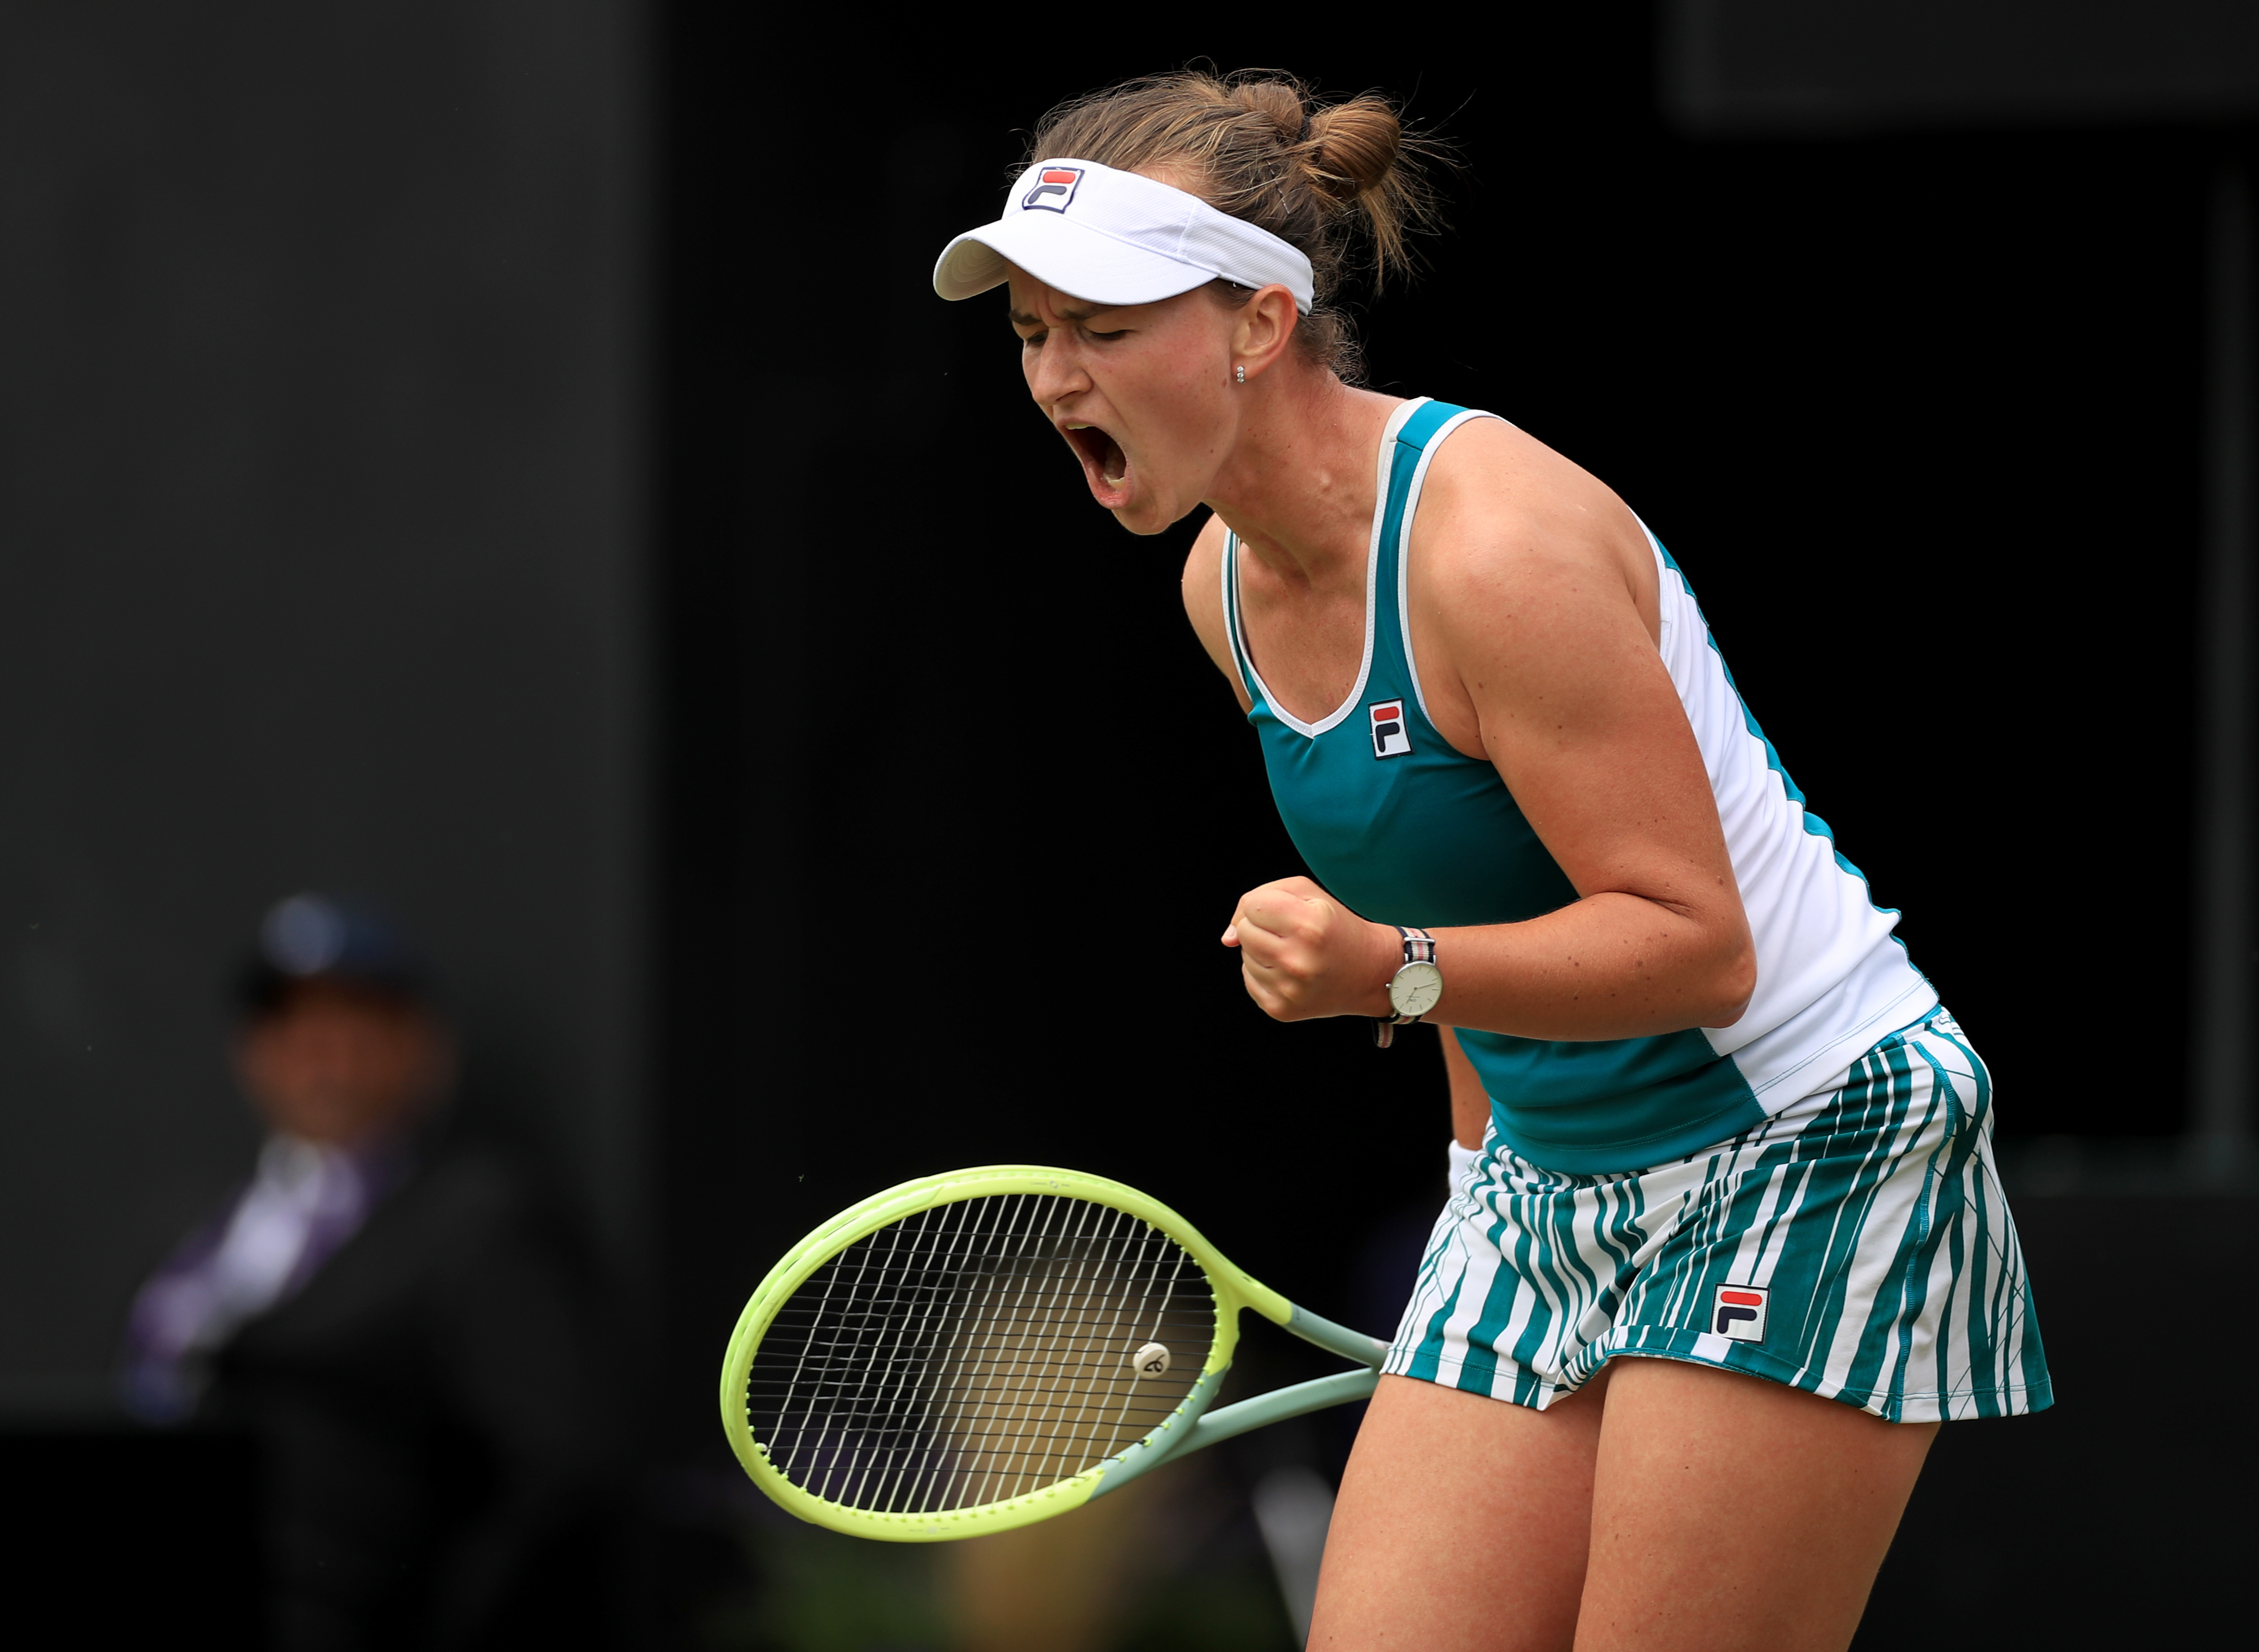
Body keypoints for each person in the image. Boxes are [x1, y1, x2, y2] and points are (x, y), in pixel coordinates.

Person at [929, 70, 2051, 1651]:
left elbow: (1691, 944)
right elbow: (1465, 891)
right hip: (1544, 1175)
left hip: (1806, 1141)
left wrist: (1388, 964)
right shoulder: (1220, 588)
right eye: (1035, 332)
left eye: (1105, 331)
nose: (1056, 377)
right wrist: (1476, 1192)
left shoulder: (1489, 547)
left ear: (1260, 325)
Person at [123, 894, 609, 1650]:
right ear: (250, 1050)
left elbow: (563, 1476)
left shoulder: (481, 1220)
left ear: (423, 1047)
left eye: (356, 1021)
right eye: (292, 1024)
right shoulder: (221, 1233)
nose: (323, 1054)